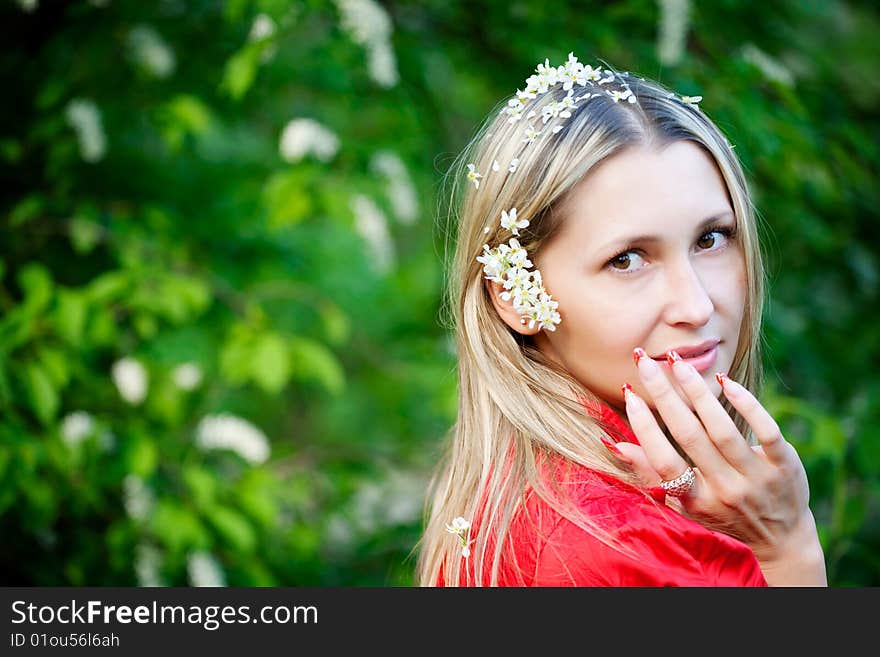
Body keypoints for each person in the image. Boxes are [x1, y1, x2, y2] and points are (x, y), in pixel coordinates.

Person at [416, 53, 827, 586]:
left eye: (710, 239)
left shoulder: (539, 494)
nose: (697, 306)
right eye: (628, 259)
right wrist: (788, 550)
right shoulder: (614, 548)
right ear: (517, 296)